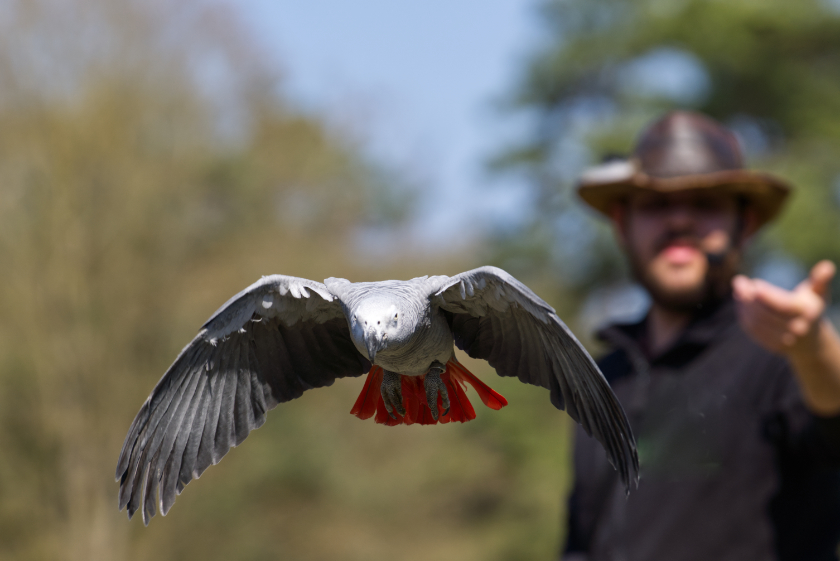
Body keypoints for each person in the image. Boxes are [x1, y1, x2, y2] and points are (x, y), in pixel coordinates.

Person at [562, 111, 840, 561]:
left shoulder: (779, 357)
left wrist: (813, 350)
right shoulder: (602, 379)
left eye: (705, 203)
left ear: (745, 224)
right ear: (621, 224)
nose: (679, 221)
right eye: (656, 205)